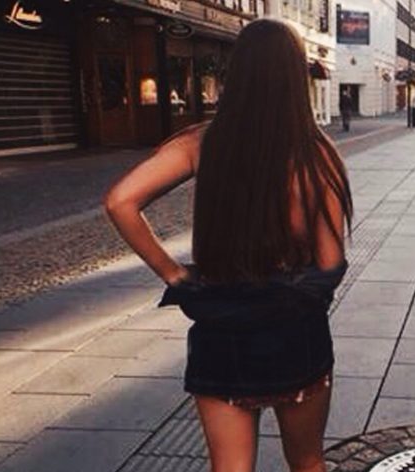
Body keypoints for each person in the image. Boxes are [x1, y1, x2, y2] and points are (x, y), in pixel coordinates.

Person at [104, 19, 353, 472]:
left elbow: (121, 200)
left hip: (221, 332)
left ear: (237, 72)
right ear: (295, 77)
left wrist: (174, 274)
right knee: (308, 463)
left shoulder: (201, 143)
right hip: (295, 333)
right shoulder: (317, 154)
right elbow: (330, 262)